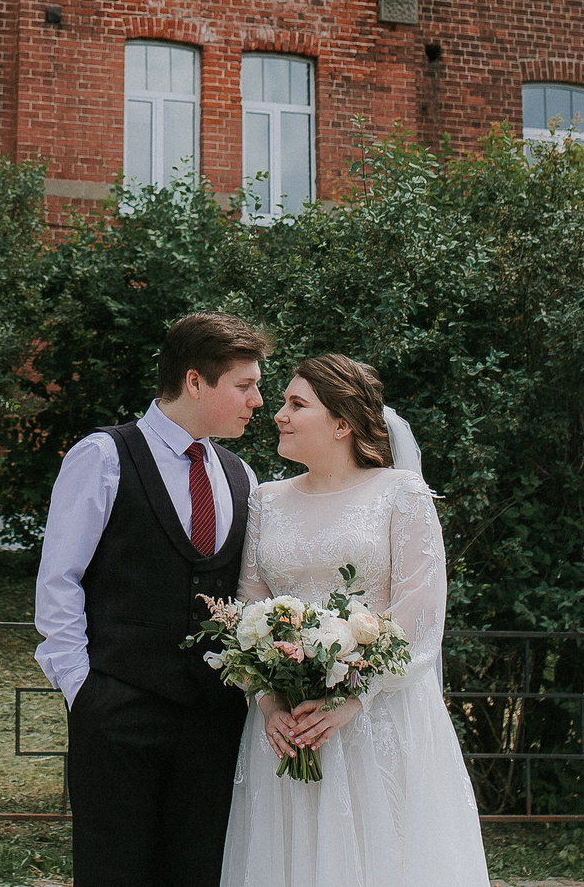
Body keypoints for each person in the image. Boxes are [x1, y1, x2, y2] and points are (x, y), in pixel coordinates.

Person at [219, 354, 488, 887]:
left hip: (377, 719)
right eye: (283, 402)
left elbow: (421, 610)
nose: (279, 414)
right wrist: (271, 706)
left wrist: (350, 700)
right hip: (288, 728)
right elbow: (246, 612)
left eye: (298, 404)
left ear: (342, 423)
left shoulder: (399, 494)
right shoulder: (266, 501)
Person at [34, 311, 271, 887]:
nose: (257, 401)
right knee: (114, 870)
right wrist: (84, 690)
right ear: (195, 381)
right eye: (245, 385)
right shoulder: (105, 456)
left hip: (212, 720)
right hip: (118, 708)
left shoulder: (241, 476)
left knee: (198, 871)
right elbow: (58, 579)